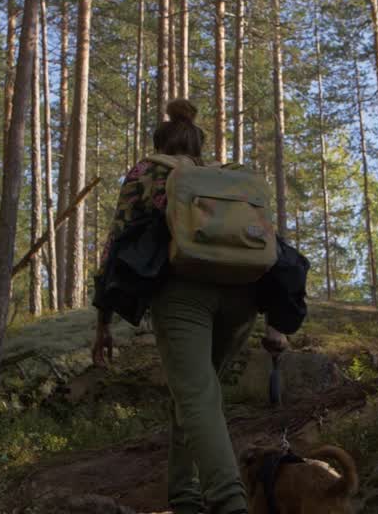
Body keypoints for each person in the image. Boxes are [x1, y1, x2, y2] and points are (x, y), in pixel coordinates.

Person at [92, 99, 288, 514]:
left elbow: (116, 242)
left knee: (196, 396)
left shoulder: (147, 172)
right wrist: (275, 317)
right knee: (197, 392)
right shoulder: (228, 176)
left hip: (182, 292)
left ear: (159, 142)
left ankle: (228, 502)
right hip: (243, 293)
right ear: (198, 143)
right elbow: (272, 243)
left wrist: (102, 321)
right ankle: (184, 496)